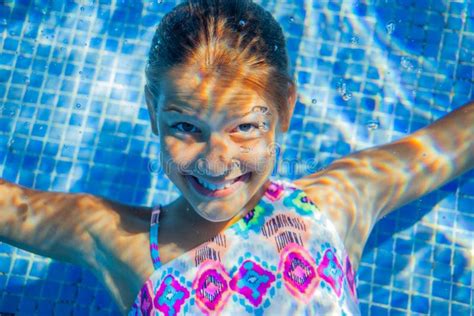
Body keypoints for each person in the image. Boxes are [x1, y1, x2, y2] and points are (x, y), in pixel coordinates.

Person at [0, 0, 472, 315]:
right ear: (152, 113)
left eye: (245, 127)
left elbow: (455, 140)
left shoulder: (338, 201)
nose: (215, 162)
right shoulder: (119, 239)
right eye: (186, 127)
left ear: (286, 108)